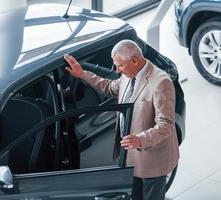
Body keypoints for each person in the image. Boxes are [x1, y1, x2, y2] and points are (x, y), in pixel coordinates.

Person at [64, 39, 179, 200]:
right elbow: (109, 88)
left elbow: (166, 124)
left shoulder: (161, 82)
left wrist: (140, 139)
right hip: (131, 155)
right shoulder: (129, 73)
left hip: (152, 158)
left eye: (120, 66)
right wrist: (83, 74)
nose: (117, 70)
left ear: (134, 60)